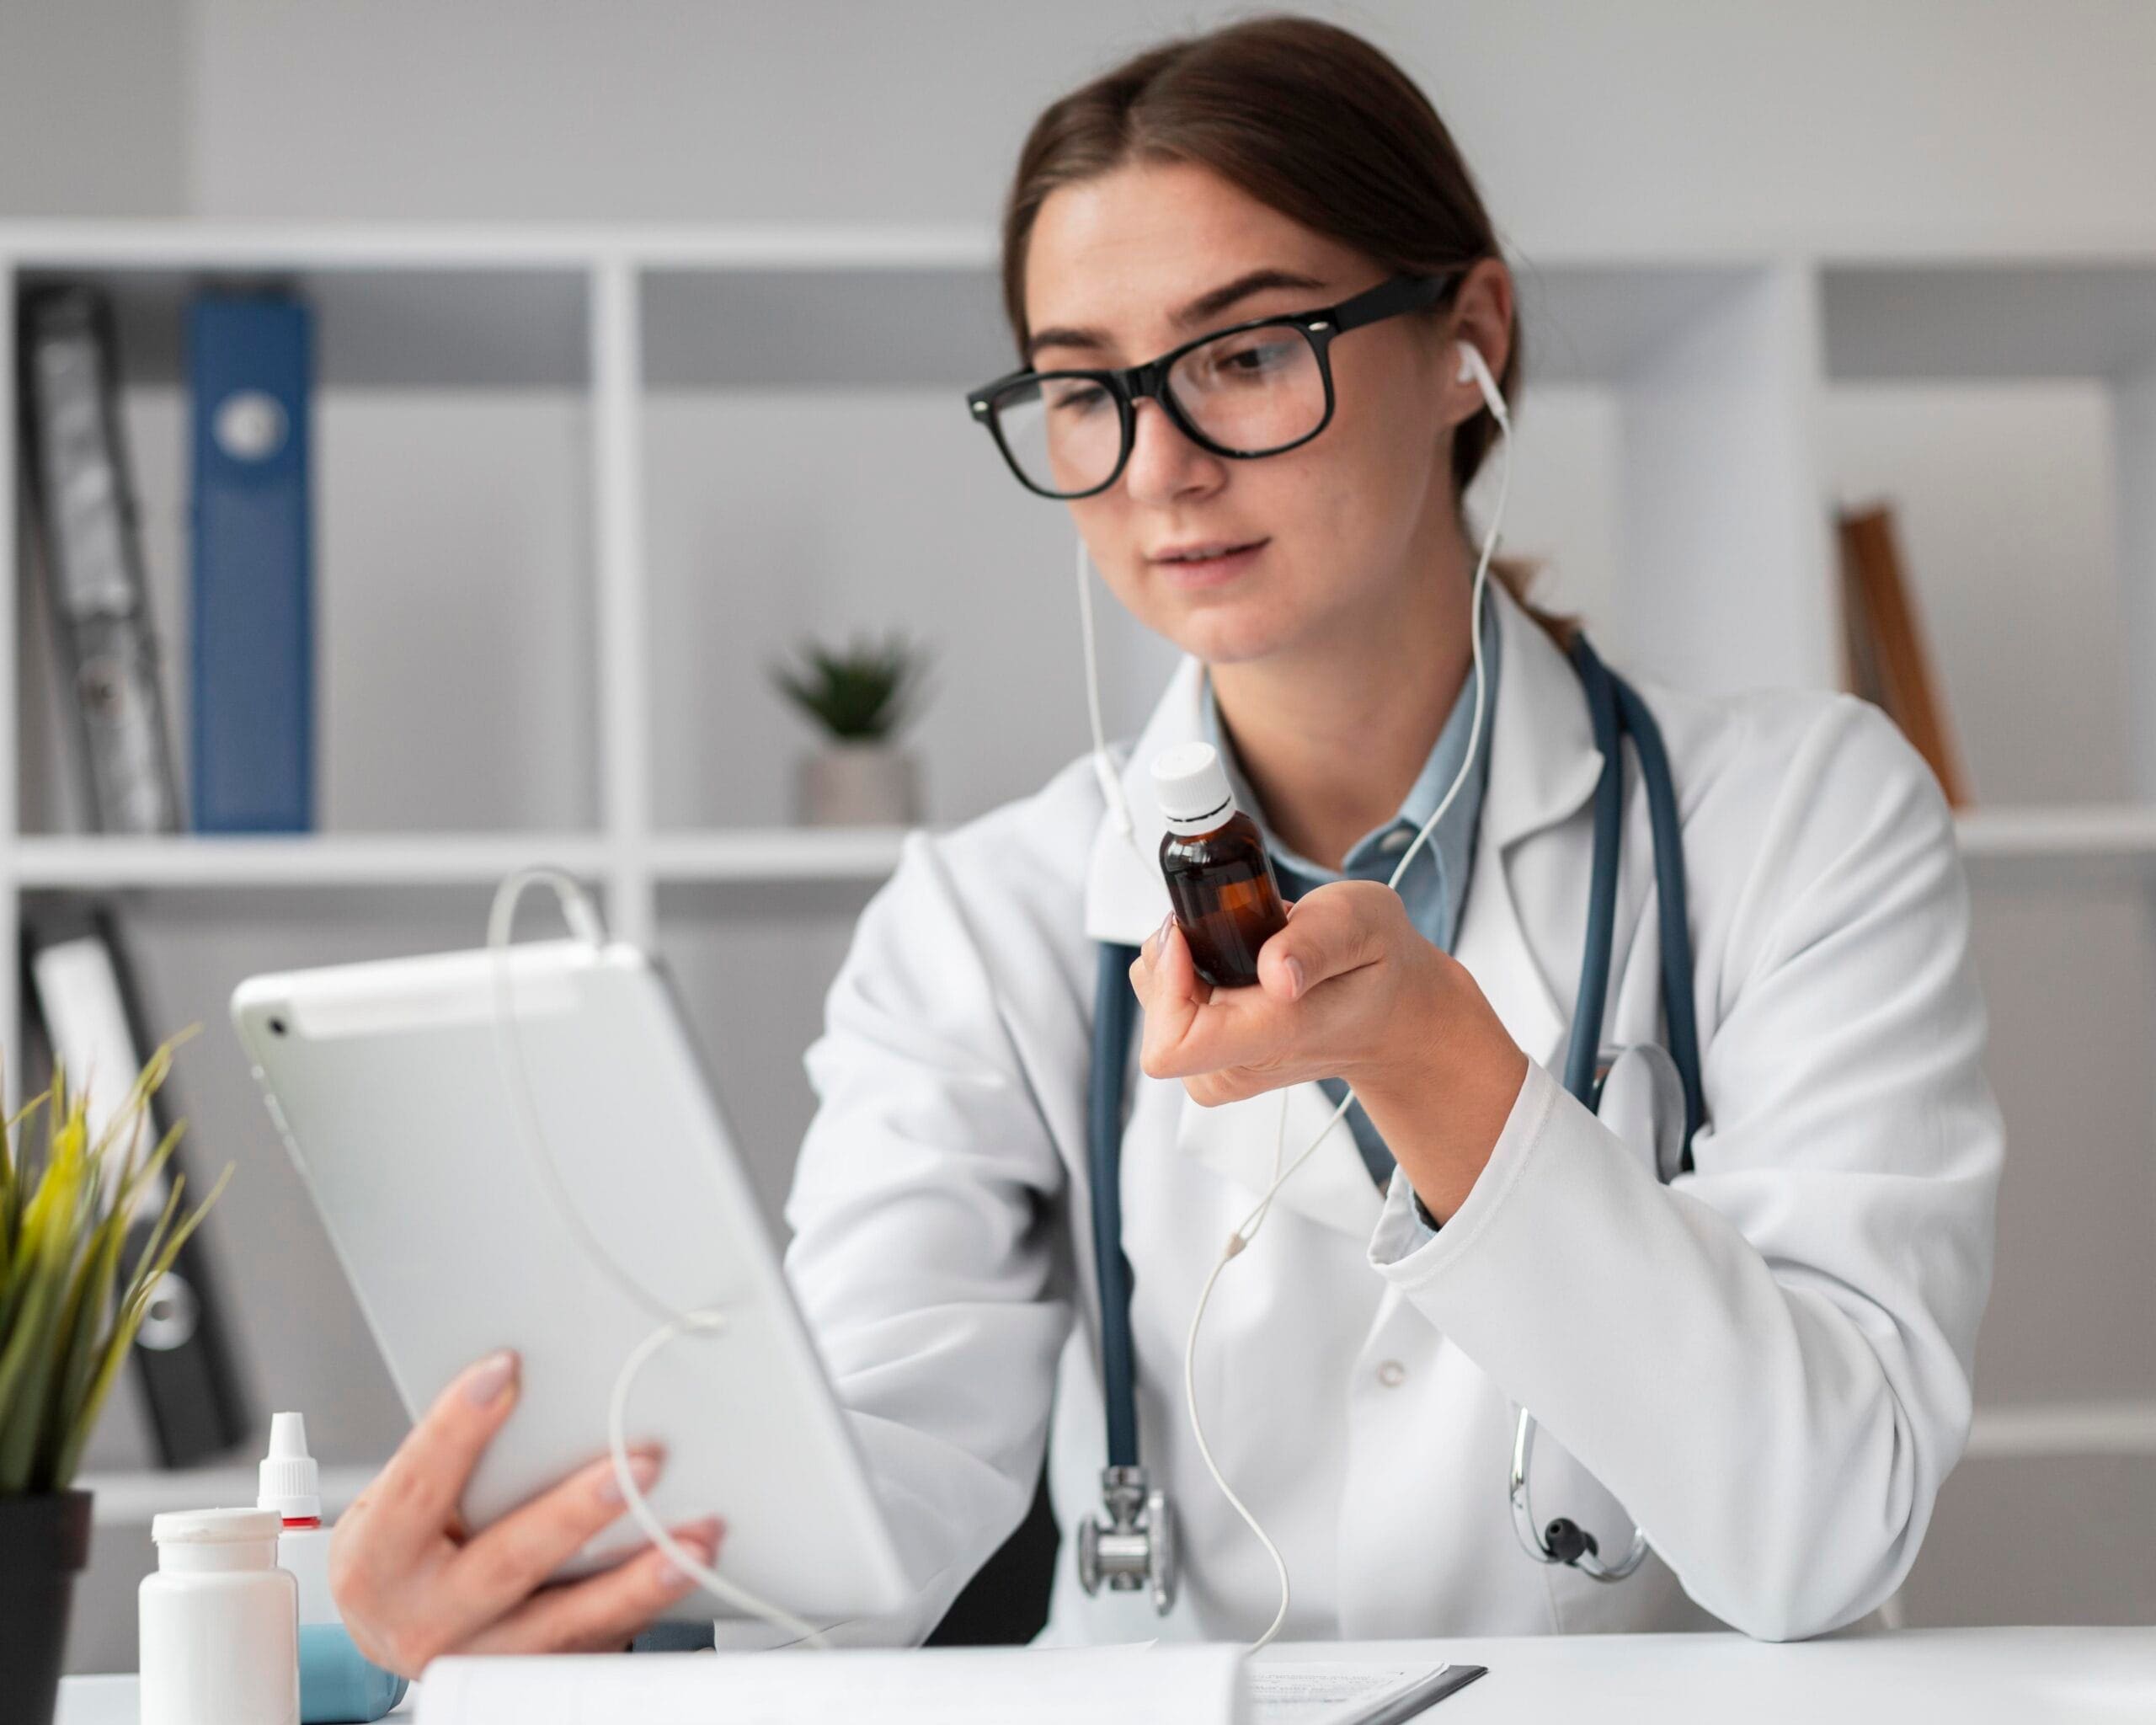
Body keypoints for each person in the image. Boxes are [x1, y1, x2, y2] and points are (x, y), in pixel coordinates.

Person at [325, 15, 2002, 1674]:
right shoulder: (980, 922)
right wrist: (571, 1595)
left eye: (1246, 353)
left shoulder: (1796, 817)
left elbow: (1822, 1522)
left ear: (1465, 337)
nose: (1161, 469)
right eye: (1083, 391)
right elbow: (864, 1506)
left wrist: (1434, 1061)